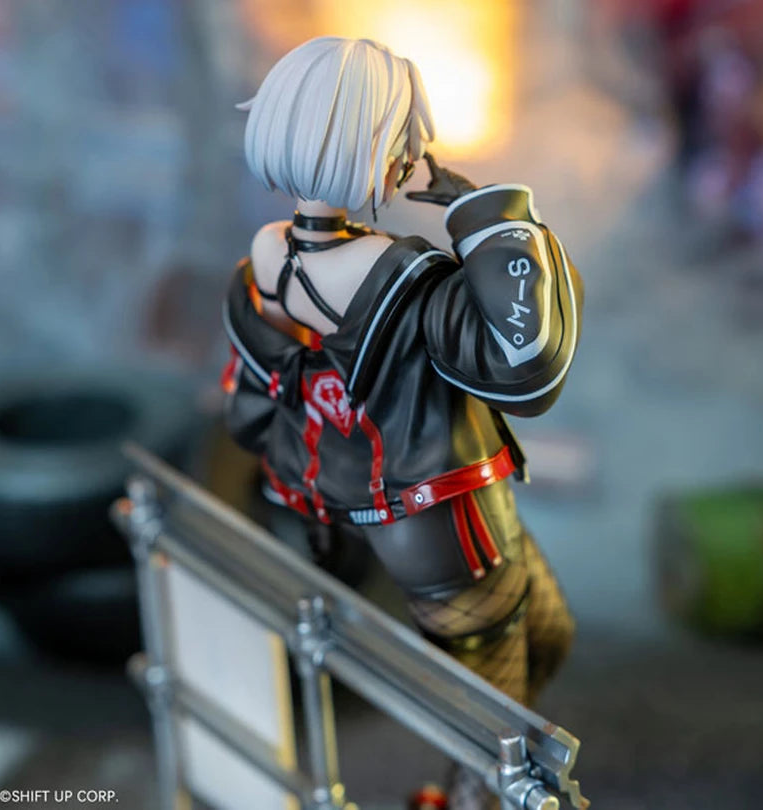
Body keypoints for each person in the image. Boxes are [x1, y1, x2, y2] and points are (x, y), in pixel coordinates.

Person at [220, 37, 583, 810]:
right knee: (499, 741)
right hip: (448, 526)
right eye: (397, 139)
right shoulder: (401, 273)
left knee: (547, 640)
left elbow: (267, 385)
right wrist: (483, 210)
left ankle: (459, 790)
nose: (408, 156)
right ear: (372, 145)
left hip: (386, 505)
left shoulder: (266, 255)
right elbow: (525, 358)